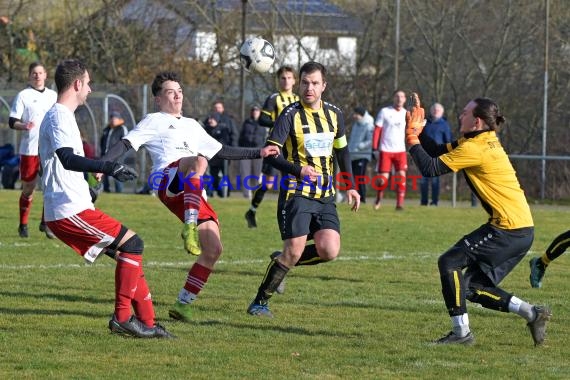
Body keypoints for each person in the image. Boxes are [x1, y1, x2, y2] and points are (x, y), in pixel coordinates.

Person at [101, 71, 278, 322]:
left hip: (192, 192)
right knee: (198, 161)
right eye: (170, 91)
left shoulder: (193, 125)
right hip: (166, 180)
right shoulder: (153, 120)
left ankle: (183, 304)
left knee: (214, 249)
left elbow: (222, 150)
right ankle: (190, 226)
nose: (177, 95)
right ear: (158, 99)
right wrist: (100, 165)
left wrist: (258, 152)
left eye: (180, 90)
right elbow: (125, 144)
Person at [38, 59, 173, 338]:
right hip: (68, 210)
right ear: (77, 84)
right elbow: (67, 159)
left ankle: (148, 323)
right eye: (88, 83)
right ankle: (122, 318)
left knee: (130, 256)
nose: (90, 88)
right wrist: (107, 167)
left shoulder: (63, 116)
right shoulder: (59, 115)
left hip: (73, 205)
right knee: (134, 244)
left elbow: (65, 164)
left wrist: (89, 187)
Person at [405, 93, 551, 346]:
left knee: (449, 262)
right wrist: (422, 129)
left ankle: (461, 335)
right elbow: (438, 151)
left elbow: (430, 169)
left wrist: (411, 138)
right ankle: (532, 313)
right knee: (472, 287)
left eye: (465, 112)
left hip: (508, 229)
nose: (460, 115)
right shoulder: (480, 140)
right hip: (520, 230)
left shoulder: (475, 148)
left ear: (477, 121)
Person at [246, 61, 360, 318]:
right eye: (305, 83)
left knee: (329, 250)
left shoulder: (335, 115)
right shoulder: (289, 115)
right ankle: (260, 301)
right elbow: (271, 155)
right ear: (299, 84)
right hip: (296, 194)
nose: (309, 88)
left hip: (325, 197)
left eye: (315, 83)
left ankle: (283, 259)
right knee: (294, 250)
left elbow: (343, 151)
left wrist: (351, 186)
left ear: (324, 86)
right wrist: (299, 170)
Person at [244, 66, 300, 228]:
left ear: (294, 80)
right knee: (269, 183)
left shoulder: (298, 99)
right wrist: (281, 124)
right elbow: (262, 120)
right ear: (278, 80)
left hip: (293, 146)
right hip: (275, 145)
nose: (286, 81)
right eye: (283, 78)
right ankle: (252, 210)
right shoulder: (274, 98)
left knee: (291, 181)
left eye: (289, 78)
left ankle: (288, 218)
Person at [9, 61, 57, 238]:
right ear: (29, 75)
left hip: (50, 149)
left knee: (50, 186)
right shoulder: (23, 95)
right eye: (34, 73)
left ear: (46, 75)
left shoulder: (53, 95)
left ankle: (47, 223)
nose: (37, 76)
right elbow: (12, 121)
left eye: (40, 73)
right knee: (29, 187)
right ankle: (23, 224)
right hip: (29, 148)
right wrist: (24, 125)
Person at [372, 90, 408, 211]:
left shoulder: (406, 113)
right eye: (397, 96)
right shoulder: (385, 112)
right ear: (393, 98)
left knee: (401, 177)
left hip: (400, 151)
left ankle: (399, 204)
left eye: (402, 96)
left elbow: (411, 131)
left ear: (405, 99)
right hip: (385, 150)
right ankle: (378, 199)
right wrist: (374, 147)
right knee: (382, 181)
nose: (399, 98)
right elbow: (377, 130)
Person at [202, 99, 238, 198]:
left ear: (223, 108)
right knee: (213, 174)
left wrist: (233, 151)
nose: (217, 109)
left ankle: (226, 193)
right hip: (212, 153)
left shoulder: (228, 120)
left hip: (225, 151)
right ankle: (217, 191)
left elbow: (233, 135)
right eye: (215, 108)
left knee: (225, 173)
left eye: (219, 108)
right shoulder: (208, 120)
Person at [419, 103, 452, 206]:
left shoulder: (445, 125)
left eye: (438, 110)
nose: (436, 111)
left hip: (437, 156)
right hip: (424, 155)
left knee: (434, 181)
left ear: (442, 112)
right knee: (423, 181)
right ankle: (423, 202)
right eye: (434, 109)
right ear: (431, 111)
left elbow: (448, 141)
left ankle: (434, 202)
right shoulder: (425, 123)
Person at [238, 104, 265, 199]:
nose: (255, 112)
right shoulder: (247, 122)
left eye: (257, 110)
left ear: (260, 112)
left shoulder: (264, 123)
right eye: (253, 110)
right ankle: (246, 194)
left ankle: (255, 193)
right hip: (246, 150)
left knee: (257, 173)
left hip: (259, 150)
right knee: (245, 173)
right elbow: (241, 136)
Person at [348, 106, 374, 203]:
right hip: (353, 154)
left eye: (356, 114)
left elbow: (371, 141)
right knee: (354, 177)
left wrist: (359, 146)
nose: (354, 116)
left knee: (360, 177)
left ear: (362, 115)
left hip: (363, 155)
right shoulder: (356, 124)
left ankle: (362, 199)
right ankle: (356, 197)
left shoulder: (369, 125)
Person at [100, 111, 129, 193]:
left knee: (117, 173)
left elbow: (125, 142)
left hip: (117, 156)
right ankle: (106, 190)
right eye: (112, 118)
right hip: (106, 156)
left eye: (115, 118)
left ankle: (119, 192)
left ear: (119, 119)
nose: (113, 119)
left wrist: (120, 155)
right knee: (104, 173)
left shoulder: (122, 128)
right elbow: (102, 141)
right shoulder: (107, 129)